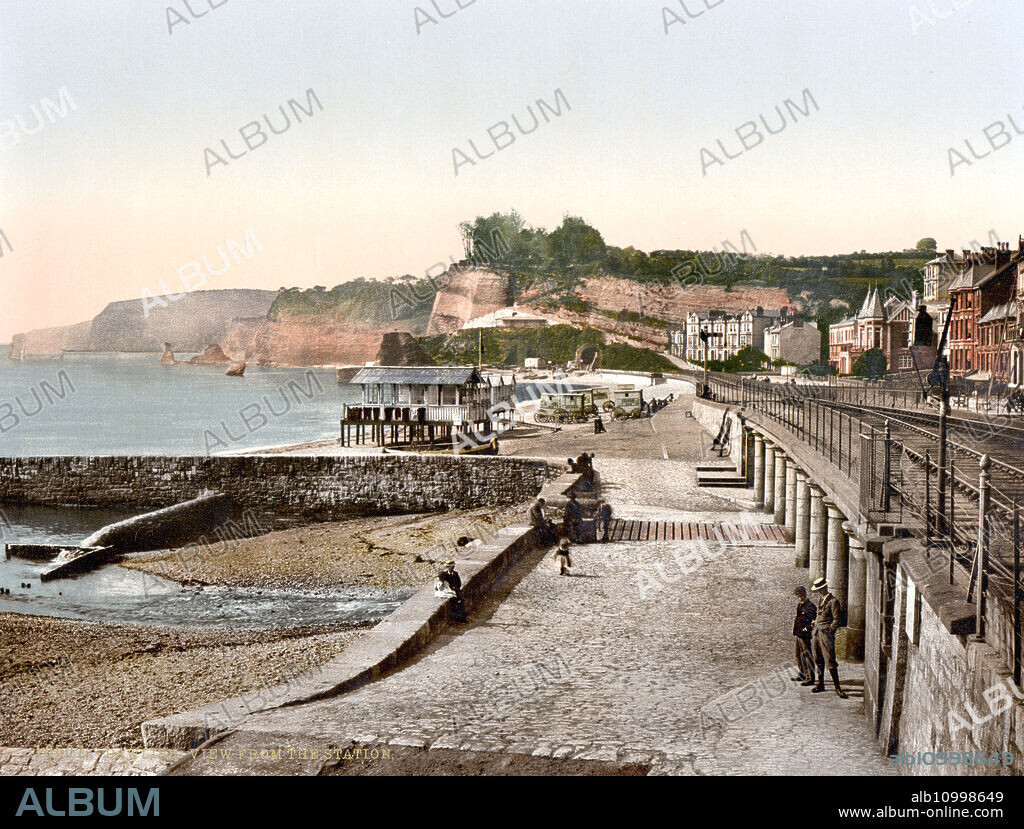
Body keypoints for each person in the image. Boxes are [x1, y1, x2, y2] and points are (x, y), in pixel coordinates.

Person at [805, 577, 848, 698]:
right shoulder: (821, 599)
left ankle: (838, 688)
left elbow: (837, 619)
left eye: (821, 589)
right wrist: (815, 623)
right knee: (818, 658)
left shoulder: (833, 601)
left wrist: (830, 631)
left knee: (830, 659)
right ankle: (821, 684)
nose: (819, 591)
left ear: (825, 588)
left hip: (826, 635)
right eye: (818, 590)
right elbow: (820, 616)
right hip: (817, 633)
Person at [791, 586, 817, 682]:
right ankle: (802, 674)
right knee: (798, 655)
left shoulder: (810, 606)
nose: (799, 598)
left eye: (800, 596)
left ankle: (810, 677)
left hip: (805, 635)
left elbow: (813, 622)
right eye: (798, 596)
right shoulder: (800, 605)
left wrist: (807, 629)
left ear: (804, 594)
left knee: (807, 655)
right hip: (798, 634)